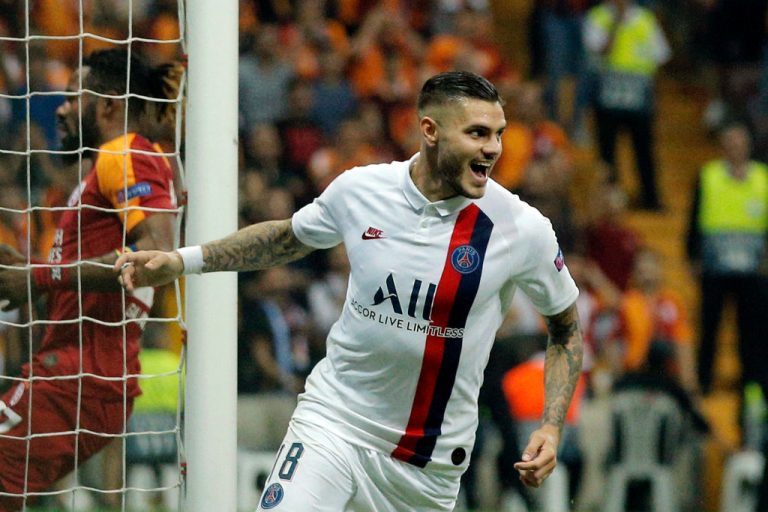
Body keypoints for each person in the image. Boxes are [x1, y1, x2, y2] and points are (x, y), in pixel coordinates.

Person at [117, 71, 584, 511]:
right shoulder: (363, 189)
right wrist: (182, 261)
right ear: (430, 130)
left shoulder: (521, 229)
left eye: (498, 134)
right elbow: (284, 238)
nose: (493, 149)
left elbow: (565, 331)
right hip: (333, 424)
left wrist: (551, 425)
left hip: (426, 465)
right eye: (478, 133)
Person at [0, 48, 180, 510]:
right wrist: (27, 269)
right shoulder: (102, 169)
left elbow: (157, 258)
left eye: (72, 96)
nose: (61, 109)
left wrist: (37, 276)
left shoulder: (125, 152)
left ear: (107, 104)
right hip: (77, 371)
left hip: (83, 375)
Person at [686, 123, 768, 395]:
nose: (734, 147)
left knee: (752, 330)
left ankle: (751, 382)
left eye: (739, 142)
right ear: (722, 146)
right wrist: (692, 255)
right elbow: (694, 216)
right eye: (729, 142)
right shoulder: (708, 175)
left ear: (748, 145)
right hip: (714, 268)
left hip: (753, 271)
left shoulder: (763, 178)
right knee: (709, 326)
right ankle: (704, 381)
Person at [584, 0, 670, 210]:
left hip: (638, 98)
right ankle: (609, 199)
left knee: (643, 149)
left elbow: (661, 56)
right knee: (607, 151)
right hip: (608, 97)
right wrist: (615, 23)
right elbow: (599, 51)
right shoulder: (598, 17)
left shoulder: (646, 20)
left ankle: (650, 197)